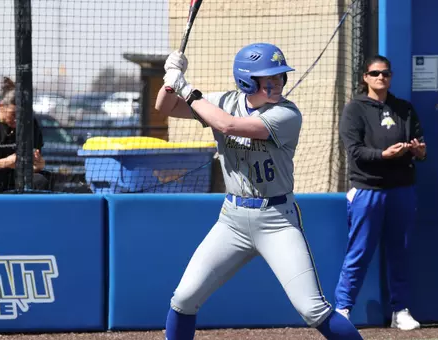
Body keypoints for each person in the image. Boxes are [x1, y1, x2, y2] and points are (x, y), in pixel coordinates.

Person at [155, 43, 363, 340]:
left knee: (312, 309)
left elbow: (228, 126)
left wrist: (187, 89)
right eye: (269, 77)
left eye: (280, 76)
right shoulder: (224, 100)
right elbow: (165, 108)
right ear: (246, 80)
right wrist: (171, 78)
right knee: (184, 299)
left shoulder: (287, 114)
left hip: (277, 219)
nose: (277, 82)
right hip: (232, 220)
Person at [333, 55, 425, 331]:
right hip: (368, 189)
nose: (381, 78)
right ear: (365, 77)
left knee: (401, 251)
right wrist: (383, 154)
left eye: (385, 73)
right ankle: (342, 308)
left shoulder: (404, 108)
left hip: (402, 189)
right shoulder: (354, 109)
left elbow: (421, 143)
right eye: (375, 73)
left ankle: (400, 310)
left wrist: (419, 151)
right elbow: (355, 151)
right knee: (359, 252)